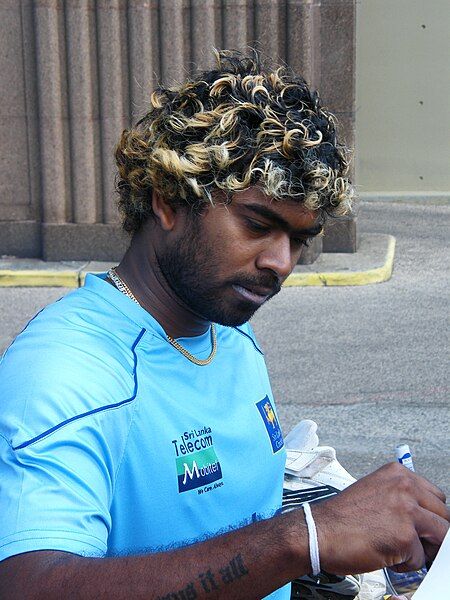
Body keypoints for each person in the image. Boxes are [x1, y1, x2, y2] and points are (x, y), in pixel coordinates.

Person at [0, 50, 447, 600]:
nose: (281, 262)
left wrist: (349, 532)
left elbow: (227, 520)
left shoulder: (227, 331)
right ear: (169, 201)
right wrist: (306, 536)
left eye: (300, 240)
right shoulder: (66, 372)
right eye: (258, 223)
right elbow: (29, 585)